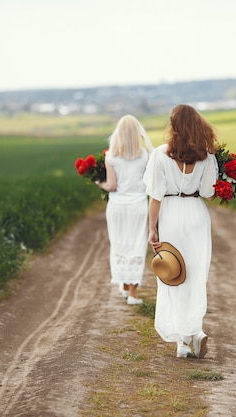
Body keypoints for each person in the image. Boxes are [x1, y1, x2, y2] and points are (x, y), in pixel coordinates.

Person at [143, 104, 219, 358]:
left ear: (173, 126)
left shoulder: (160, 155)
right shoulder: (207, 156)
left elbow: (155, 196)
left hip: (171, 214)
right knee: (196, 275)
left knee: (174, 275)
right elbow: (209, 192)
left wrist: (152, 228)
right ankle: (194, 331)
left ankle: (182, 343)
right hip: (196, 214)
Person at [96, 115, 154, 305]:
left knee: (119, 243)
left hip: (117, 206)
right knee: (136, 244)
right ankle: (132, 293)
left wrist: (100, 184)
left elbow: (112, 186)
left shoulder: (110, 156)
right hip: (138, 204)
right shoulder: (145, 155)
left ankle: (123, 285)